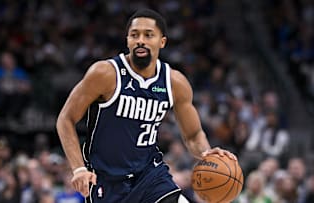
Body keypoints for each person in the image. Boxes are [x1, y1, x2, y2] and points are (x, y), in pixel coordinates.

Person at [56, 8, 236, 203]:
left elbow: (193, 135)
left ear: (162, 41)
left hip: (151, 176)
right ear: (127, 41)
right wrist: (78, 168)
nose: (140, 40)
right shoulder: (105, 74)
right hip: (106, 182)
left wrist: (206, 153)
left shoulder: (174, 82)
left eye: (148, 35)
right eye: (134, 35)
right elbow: (66, 119)